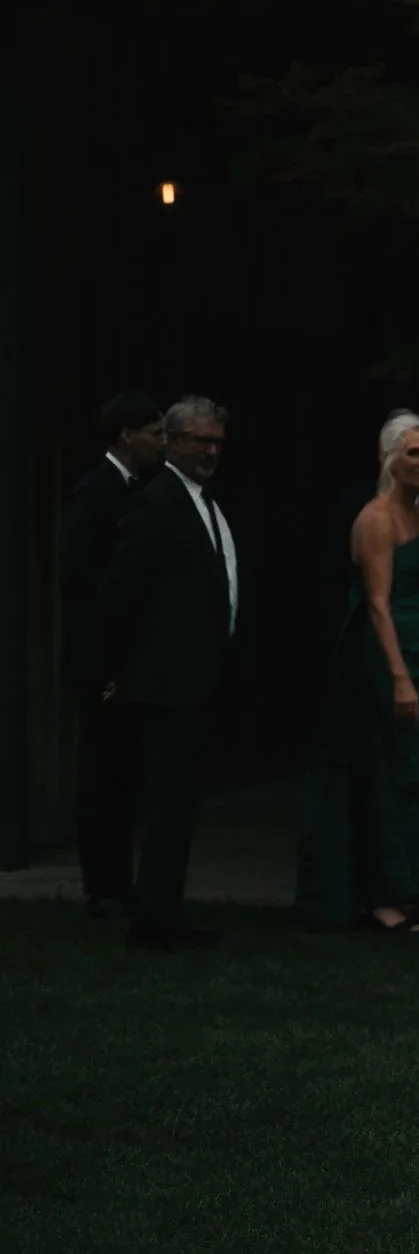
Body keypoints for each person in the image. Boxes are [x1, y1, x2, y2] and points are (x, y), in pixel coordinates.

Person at [297, 412, 419, 933]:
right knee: (393, 772)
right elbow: (378, 604)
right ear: (389, 458)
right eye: (413, 453)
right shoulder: (376, 518)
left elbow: (416, 588)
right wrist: (400, 677)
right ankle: (380, 893)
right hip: (387, 654)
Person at [98, 396, 239, 951]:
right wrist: (120, 668)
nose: (209, 451)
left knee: (179, 804)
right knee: (166, 803)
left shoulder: (199, 500)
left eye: (217, 443)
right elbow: (118, 591)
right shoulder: (158, 501)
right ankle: (155, 919)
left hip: (194, 677)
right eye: (199, 440)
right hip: (165, 681)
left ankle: (164, 912)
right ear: (172, 442)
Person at [58, 391, 162, 919]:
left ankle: (118, 881)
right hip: (99, 657)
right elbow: (74, 570)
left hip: (117, 654)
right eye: (155, 432)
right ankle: (104, 887)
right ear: (127, 435)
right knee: (102, 769)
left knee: (120, 769)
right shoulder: (97, 489)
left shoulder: (131, 487)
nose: (161, 443)